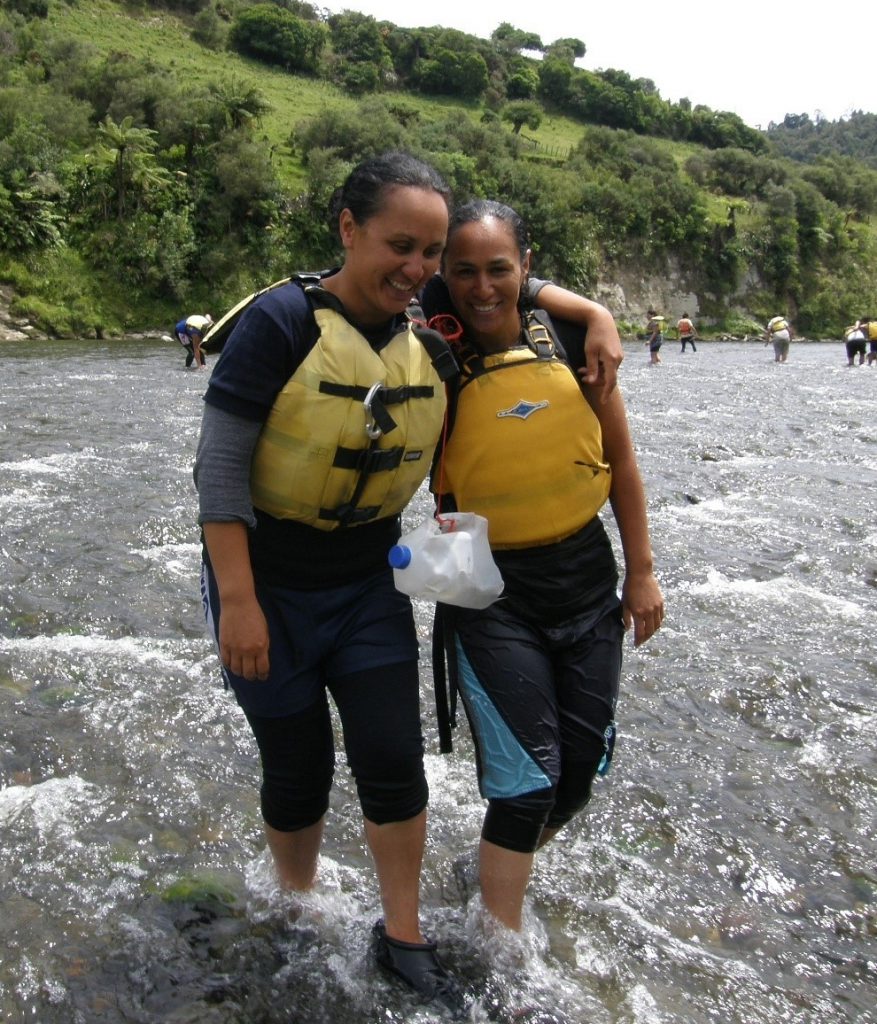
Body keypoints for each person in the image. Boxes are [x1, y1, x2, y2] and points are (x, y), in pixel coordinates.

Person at [192, 151, 625, 1012]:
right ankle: (298, 903)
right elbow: (220, 476)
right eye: (402, 246)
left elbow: (499, 287)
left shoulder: (428, 334)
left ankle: (403, 931)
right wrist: (237, 604)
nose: (419, 269)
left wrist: (592, 307)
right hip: (267, 585)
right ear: (347, 231)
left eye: (429, 252)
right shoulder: (280, 323)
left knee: (392, 762)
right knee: (298, 763)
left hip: (365, 587)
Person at [422, 199, 664, 934]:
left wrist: (642, 571)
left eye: (499, 269)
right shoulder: (423, 345)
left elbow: (618, 458)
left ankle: (489, 873)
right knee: (527, 782)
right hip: (485, 586)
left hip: (586, 580)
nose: (482, 287)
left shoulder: (568, 335)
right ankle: (501, 949)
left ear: (525, 268)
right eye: (463, 271)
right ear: (443, 273)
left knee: (574, 781)